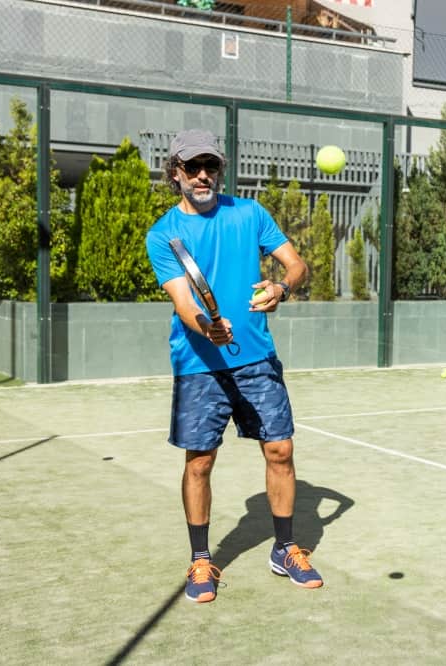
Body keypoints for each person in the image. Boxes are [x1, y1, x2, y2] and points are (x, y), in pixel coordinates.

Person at [145, 128, 323, 603]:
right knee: (200, 461)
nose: (203, 176)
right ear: (176, 173)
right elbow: (185, 304)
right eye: (192, 167)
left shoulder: (250, 213)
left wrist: (282, 288)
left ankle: (285, 548)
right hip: (199, 365)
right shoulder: (164, 234)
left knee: (280, 451)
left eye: (211, 166)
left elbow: (298, 266)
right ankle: (202, 559)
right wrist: (208, 327)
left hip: (257, 361)